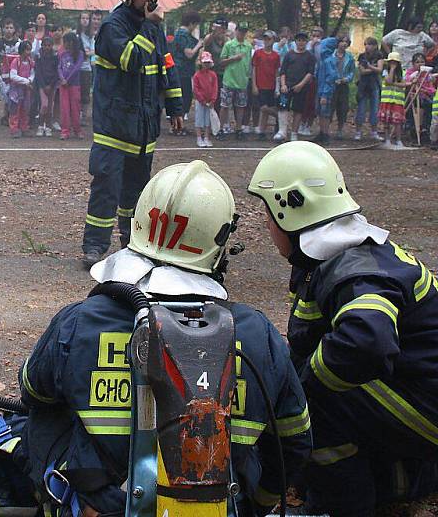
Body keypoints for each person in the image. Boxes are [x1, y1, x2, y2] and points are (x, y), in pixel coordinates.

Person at [25, 160, 311, 517]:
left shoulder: (77, 322)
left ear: (140, 223)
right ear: (218, 244)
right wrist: (258, 502)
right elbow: (294, 442)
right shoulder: (257, 334)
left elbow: (33, 396)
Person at [248, 141, 438, 515]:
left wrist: (300, 391)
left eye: (268, 213)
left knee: (312, 402)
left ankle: (337, 506)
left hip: (427, 411)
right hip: (417, 402)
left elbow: (366, 342)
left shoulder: (352, 266)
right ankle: (395, 483)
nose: (266, 224)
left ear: (291, 209)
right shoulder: (336, 257)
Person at [81, 0, 183, 268]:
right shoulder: (113, 27)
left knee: (137, 193)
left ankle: (132, 244)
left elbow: (167, 66)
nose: (151, 2)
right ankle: (95, 246)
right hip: (114, 128)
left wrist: (176, 107)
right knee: (106, 189)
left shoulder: (153, 27)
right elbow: (131, 60)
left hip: (143, 128)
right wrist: (150, 26)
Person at [317, 35, 355, 144]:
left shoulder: (350, 57)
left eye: (346, 42)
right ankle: (324, 131)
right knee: (328, 107)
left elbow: (352, 71)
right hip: (330, 84)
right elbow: (329, 72)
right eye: (342, 41)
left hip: (343, 85)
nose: (344, 44)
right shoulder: (329, 56)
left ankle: (339, 129)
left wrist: (345, 79)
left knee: (342, 107)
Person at [170, 11, 204, 133]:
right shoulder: (183, 34)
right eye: (195, 25)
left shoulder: (181, 34)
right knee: (183, 98)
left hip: (182, 70)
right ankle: (177, 127)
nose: (195, 28)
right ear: (191, 23)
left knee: (184, 98)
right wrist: (199, 45)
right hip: (181, 70)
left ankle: (179, 126)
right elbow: (189, 54)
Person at [280, 32, 316, 141]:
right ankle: (282, 131)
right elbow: (283, 71)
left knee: (298, 110)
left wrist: (301, 85)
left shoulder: (310, 56)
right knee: (283, 108)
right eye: (299, 40)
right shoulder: (289, 54)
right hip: (287, 86)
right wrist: (283, 85)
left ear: (306, 42)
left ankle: (294, 133)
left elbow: (310, 73)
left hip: (302, 87)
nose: (301, 42)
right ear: (295, 42)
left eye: (303, 40)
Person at [220, 24, 253, 138]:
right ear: (236, 31)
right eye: (240, 31)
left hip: (242, 81)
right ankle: (222, 128)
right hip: (229, 80)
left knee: (240, 106)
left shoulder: (248, 46)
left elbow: (249, 63)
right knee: (225, 105)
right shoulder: (229, 45)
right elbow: (222, 61)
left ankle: (238, 128)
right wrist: (233, 58)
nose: (241, 34)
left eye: (244, 32)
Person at [251, 30, 281, 140]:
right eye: (265, 39)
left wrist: (277, 87)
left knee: (267, 108)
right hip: (260, 85)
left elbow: (277, 72)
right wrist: (254, 85)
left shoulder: (276, 56)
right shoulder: (258, 53)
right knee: (263, 108)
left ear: (273, 40)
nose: (266, 41)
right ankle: (279, 117)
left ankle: (262, 131)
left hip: (271, 86)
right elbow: (254, 69)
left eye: (269, 39)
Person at [0, 18, 21, 127]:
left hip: (14, 73)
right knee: (6, 96)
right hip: (2, 73)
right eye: (6, 28)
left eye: (11, 28)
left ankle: (11, 116)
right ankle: (6, 115)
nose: (9, 30)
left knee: (13, 95)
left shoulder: (18, 43)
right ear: (3, 29)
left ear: (14, 30)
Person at [355, 37, 384, 141]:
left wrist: (369, 67)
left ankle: (374, 132)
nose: (367, 46)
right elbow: (362, 71)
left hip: (374, 85)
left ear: (375, 46)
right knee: (361, 108)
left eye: (370, 44)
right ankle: (358, 131)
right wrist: (373, 68)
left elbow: (380, 69)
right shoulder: (362, 56)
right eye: (366, 44)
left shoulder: (379, 55)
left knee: (374, 109)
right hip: (363, 85)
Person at [57, 31, 84, 140]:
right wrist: (62, 79)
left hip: (74, 85)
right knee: (64, 109)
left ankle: (77, 130)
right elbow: (59, 67)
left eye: (66, 42)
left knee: (75, 108)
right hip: (63, 86)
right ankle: (65, 131)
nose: (65, 44)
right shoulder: (62, 53)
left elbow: (76, 68)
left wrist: (67, 80)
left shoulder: (80, 54)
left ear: (72, 42)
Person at [379, 51, 408, 149]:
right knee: (386, 121)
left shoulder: (403, 72)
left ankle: (399, 140)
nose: (393, 64)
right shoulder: (385, 71)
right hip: (387, 100)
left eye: (395, 62)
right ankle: (387, 139)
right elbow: (388, 81)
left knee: (397, 122)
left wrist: (394, 84)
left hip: (398, 102)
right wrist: (392, 69)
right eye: (391, 62)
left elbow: (404, 84)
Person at [404, 52, 435, 144]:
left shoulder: (427, 74)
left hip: (426, 96)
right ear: (413, 64)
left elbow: (431, 88)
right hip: (414, 97)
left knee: (430, 105)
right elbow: (407, 82)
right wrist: (414, 79)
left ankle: (427, 129)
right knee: (421, 105)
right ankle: (418, 128)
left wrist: (430, 87)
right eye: (417, 62)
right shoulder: (410, 73)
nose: (420, 64)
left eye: (422, 62)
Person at [7, 40, 35, 138]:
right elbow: (13, 76)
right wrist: (26, 81)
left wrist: (30, 80)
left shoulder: (30, 61)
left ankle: (24, 127)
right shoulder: (16, 61)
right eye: (27, 50)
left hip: (26, 90)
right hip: (16, 90)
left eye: (30, 50)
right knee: (15, 109)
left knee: (25, 109)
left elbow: (32, 73)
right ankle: (14, 129)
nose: (29, 52)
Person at [193, 51, 218, 147]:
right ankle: (199, 138)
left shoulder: (213, 75)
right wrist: (202, 100)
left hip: (209, 102)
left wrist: (213, 100)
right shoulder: (197, 75)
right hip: (201, 102)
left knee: (208, 120)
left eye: (208, 63)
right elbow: (196, 89)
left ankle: (207, 137)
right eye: (205, 62)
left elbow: (215, 88)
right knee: (199, 119)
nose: (206, 65)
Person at [35, 36, 59, 138]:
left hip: (52, 85)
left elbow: (56, 72)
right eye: (45, 45)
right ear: (42, 46)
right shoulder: (39, 57)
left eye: (49, 45)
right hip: (42, 84)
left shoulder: (55, 57)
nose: (47, 47)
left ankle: (48, 127)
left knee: (50, 107)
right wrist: (44, 85)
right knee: (44, 105)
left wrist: (51, 85)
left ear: (52, 46)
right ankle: (40, 126)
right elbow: (38, 72)